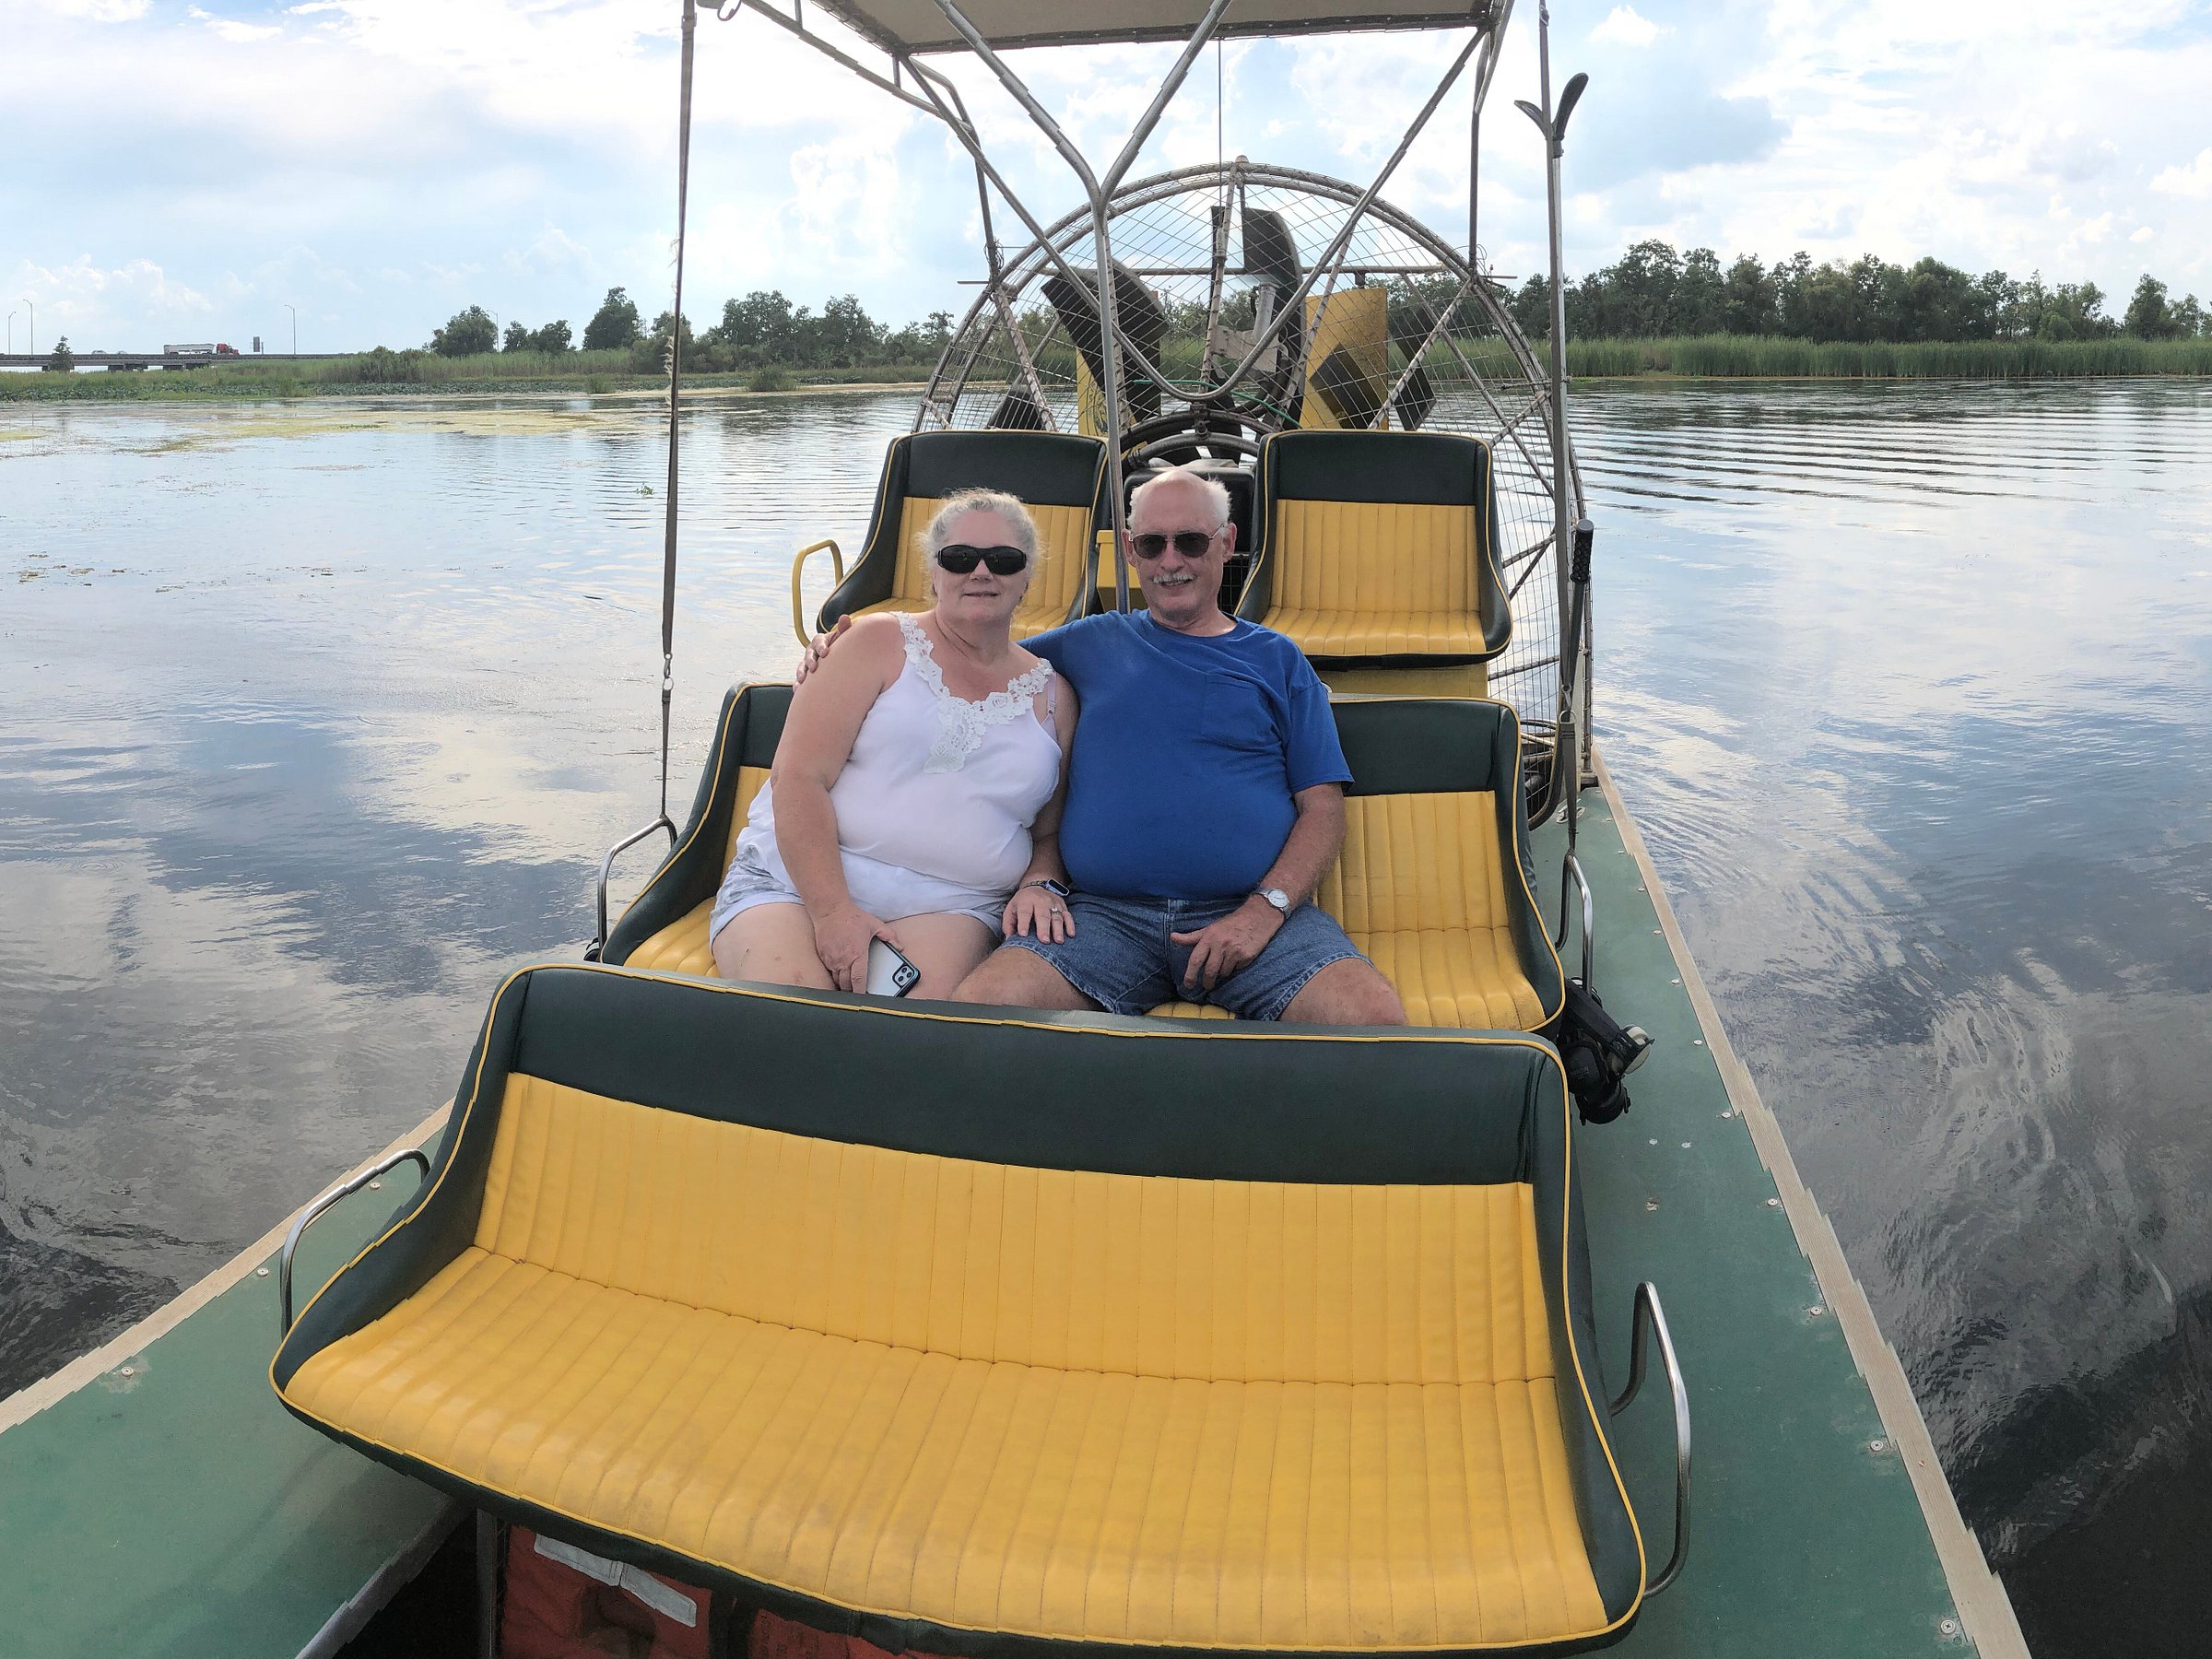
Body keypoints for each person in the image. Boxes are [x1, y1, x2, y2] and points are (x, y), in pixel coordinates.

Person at [805, 465, 1406, 1026]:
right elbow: (970, 646)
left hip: (1249, 914)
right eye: (1152, 544)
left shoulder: (1279, 662)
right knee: (984, 1012)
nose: (1171, 561)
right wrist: (846, 650)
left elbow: (1323, 808)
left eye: (1191, 543)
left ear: (1227, 544)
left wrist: (1264, 910)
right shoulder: (1088, 643)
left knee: (1373, 1019)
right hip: (1101, 918)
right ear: (1128, 550)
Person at [709, 488, 1078, 997]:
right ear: (933, 572)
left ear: (1027, 576)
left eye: (1004, 560)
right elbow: (797, 777)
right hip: (796, 886)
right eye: (959, 558)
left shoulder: (1056, 695)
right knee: (796, 1010)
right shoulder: (873, 643)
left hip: (952, 903)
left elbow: (1047, 835)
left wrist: (1040, 881)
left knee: (902, 1031)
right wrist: (834, 913)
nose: (981, 572)